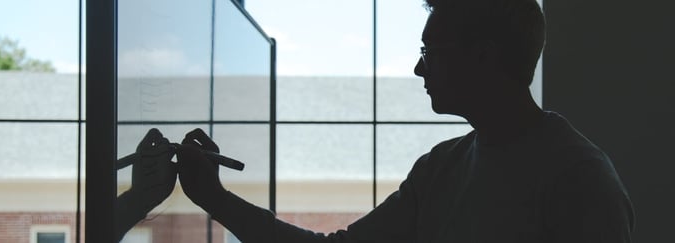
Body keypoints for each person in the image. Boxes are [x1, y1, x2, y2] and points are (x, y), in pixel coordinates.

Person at [175, 0, 635, 242]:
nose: (419, 70)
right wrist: (213, 196)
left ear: (483, 56)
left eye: (429, 53)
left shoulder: (578, 179)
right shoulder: (441, 167)